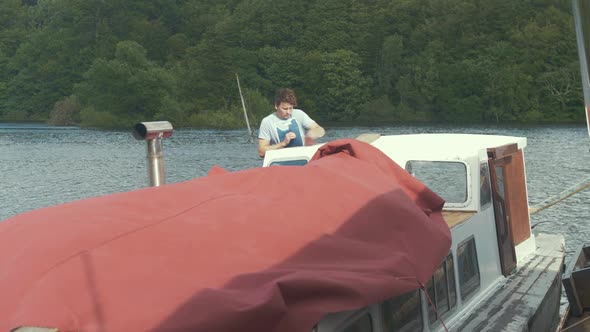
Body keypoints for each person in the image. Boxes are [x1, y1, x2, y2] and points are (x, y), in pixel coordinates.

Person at [257, 88, 325, 158]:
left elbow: (320, 130)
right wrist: (283, 143)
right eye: (285, 109)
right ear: (276, 106)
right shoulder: (267, 122)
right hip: (279, 163)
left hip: (302, 160)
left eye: (291, 108)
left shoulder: (299, 114)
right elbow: (261, 152)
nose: (288, 112)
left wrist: (310, 135)